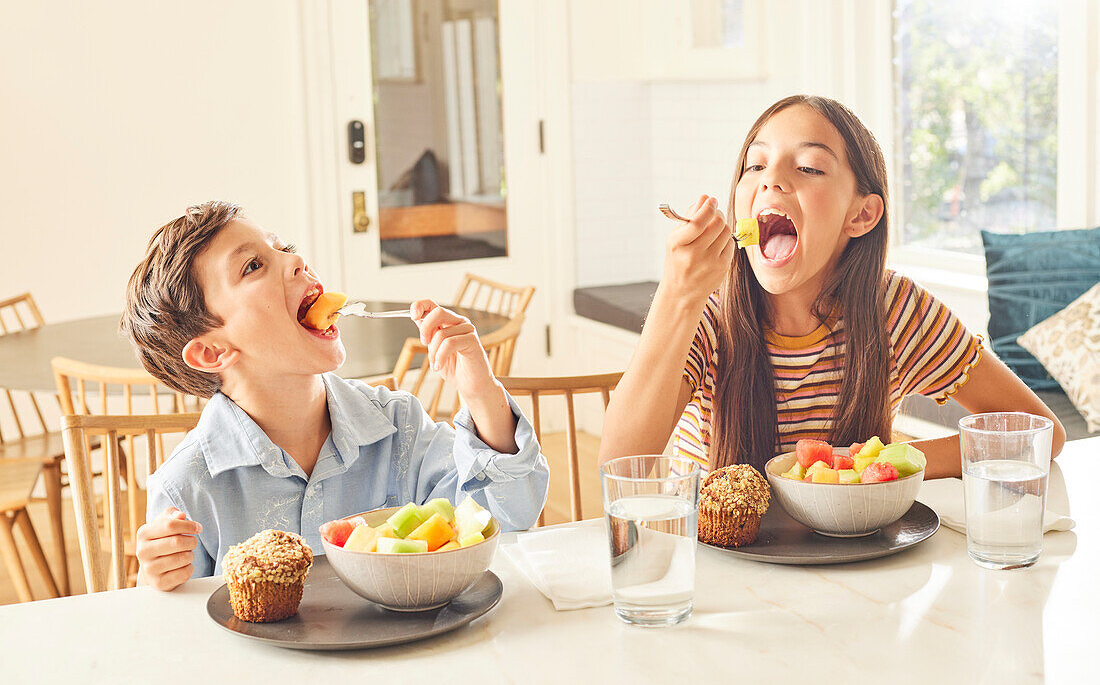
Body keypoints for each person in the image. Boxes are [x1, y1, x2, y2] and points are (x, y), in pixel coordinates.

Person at [600, 95, 1065, 478]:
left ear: (860, 215)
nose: (771, 181)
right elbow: (618, 465)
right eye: (754, 166)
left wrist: (880, 466)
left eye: (808, 168)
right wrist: (676, 298)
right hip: (717, 568)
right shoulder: (705, 313)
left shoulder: (895, 309)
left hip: (857, 566)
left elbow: (1041, 435)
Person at [123, 202, 548, 590]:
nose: (295, 260)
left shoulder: (398, 426)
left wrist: (481, 394)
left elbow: (506, 520)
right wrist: (155, 580)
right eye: (254, 265)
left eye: (283, 247)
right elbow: (176, 636)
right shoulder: (187, 489)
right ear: (213, 351)